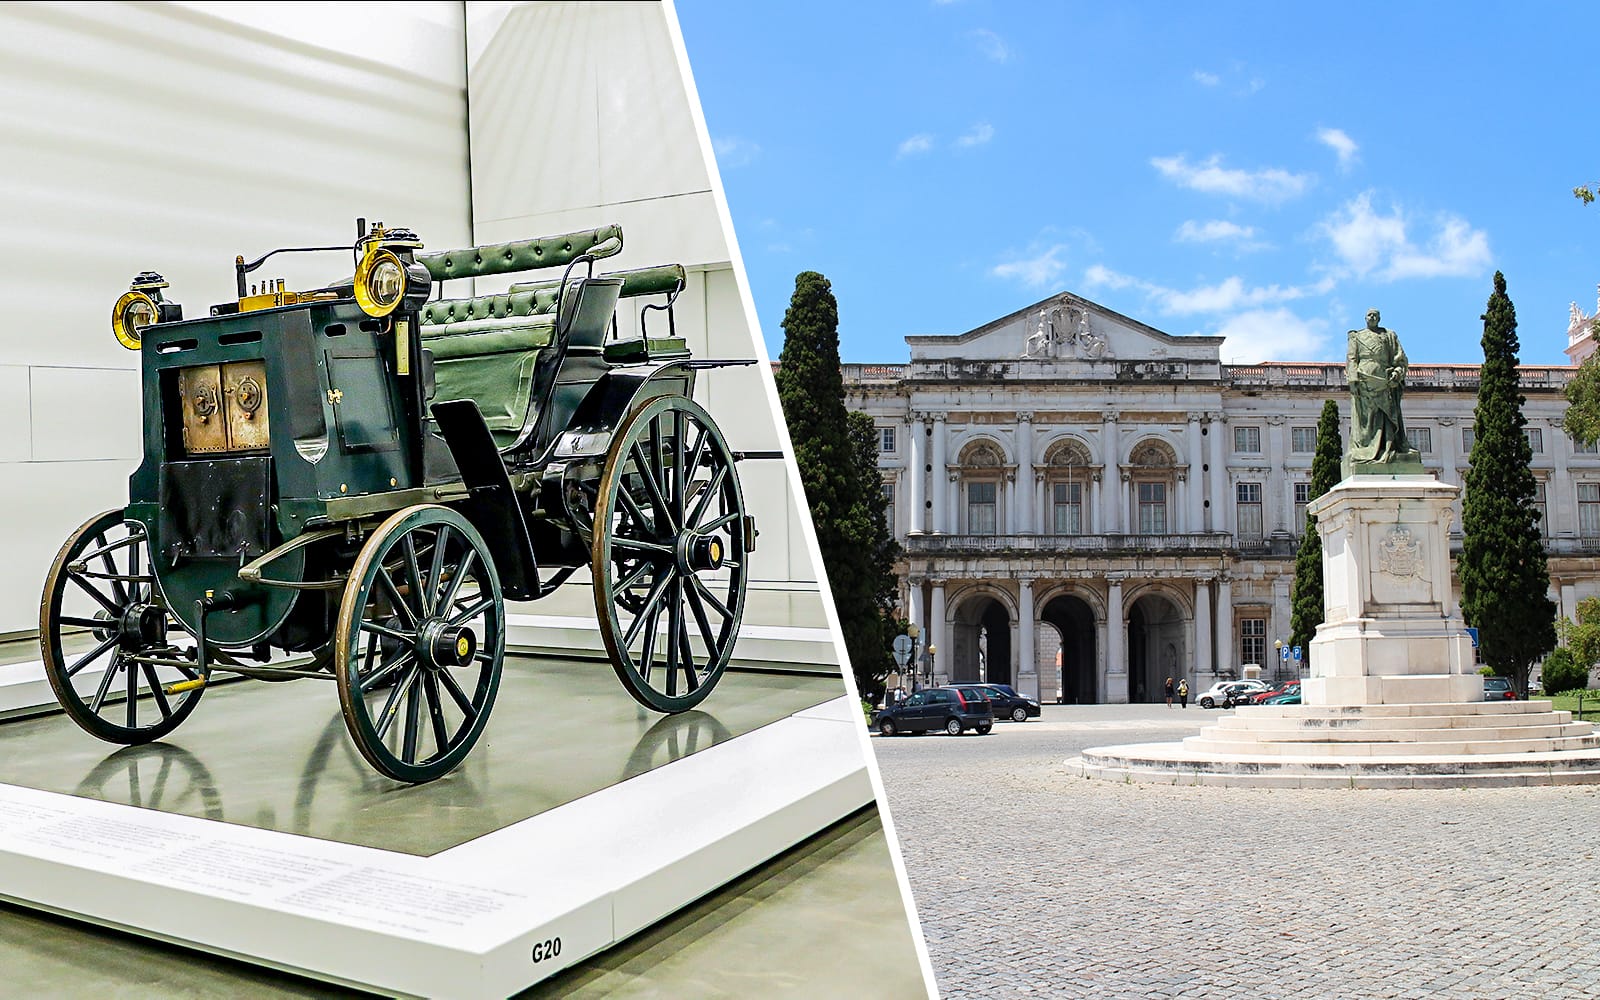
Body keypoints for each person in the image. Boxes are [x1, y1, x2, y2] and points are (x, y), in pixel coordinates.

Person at [1346, 308, 1419, 467]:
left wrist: (1397, 372)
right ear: (1365, 318)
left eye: (1375, 315)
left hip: (1385, 380)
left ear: (1379, 318)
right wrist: (1353, 379)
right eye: (1369, 315)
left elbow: (1400, 358)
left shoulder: (1389, 335)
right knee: (1367, 419)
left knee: (1387, 416)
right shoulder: (1356, 336)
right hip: (1365, 380)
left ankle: (1388, 446)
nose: (1372, 317)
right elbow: (1351, 359)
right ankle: (1367, 448)